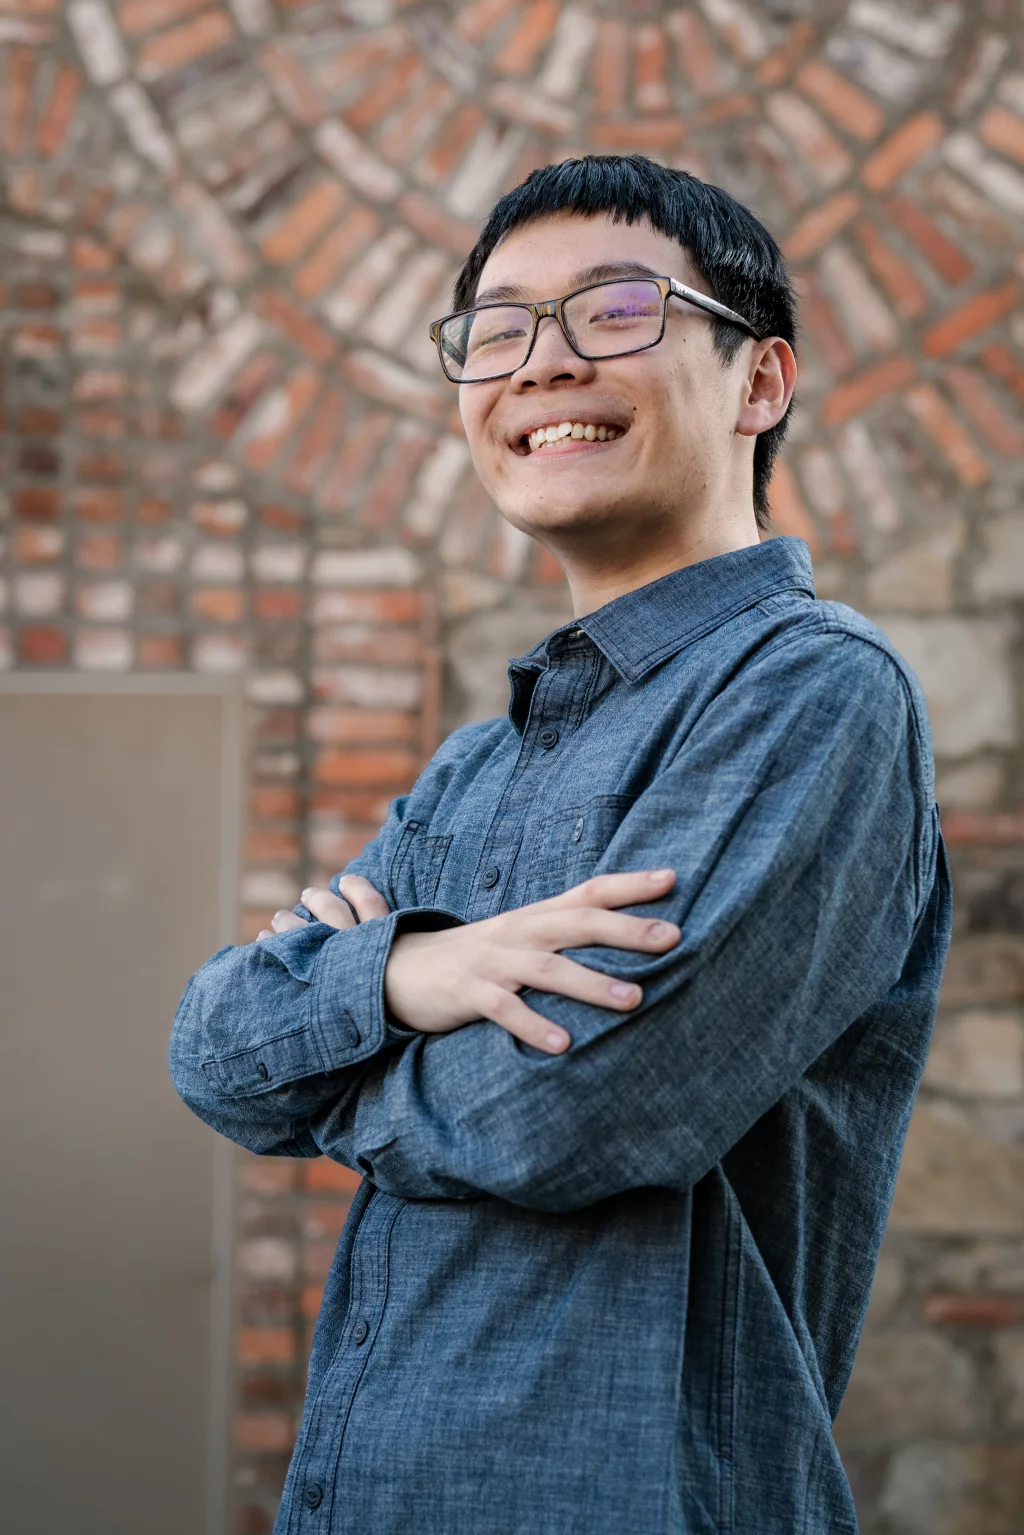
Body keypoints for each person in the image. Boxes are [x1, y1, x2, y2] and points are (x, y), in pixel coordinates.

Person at [170, 155, 951, 1534]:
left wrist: (340, 1045)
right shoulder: (481, 759)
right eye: (501, 327)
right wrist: (417, 980)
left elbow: (576, 1110)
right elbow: (212, 1051)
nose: (541, 364)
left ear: (759, 383)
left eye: (613, 313)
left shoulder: (813, 693)